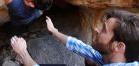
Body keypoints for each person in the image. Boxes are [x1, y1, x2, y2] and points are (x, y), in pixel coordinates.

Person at [11, 9, 139, 66]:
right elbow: (83, 48)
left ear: (118, 46)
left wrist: (23, 53)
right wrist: (54, 31)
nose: (96, 29)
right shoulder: (117, 58)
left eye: (104, 30)